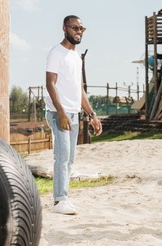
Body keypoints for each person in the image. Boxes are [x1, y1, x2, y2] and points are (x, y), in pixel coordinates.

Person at [45, 15, 102, 215]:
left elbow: (79, 90)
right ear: (64, 28)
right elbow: (50, 84)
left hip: (74, 112)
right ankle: (60, 200)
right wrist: (61, 112)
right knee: (61, 157)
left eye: (81, 29)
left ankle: (63, 198)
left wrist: (92, 114)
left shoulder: (76, 57)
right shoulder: (56, 53)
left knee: (69, 159)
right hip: (58, 111)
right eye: (75, 28)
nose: (78, 31)